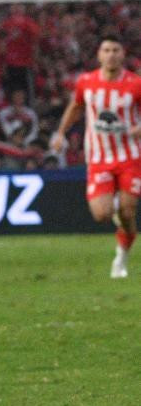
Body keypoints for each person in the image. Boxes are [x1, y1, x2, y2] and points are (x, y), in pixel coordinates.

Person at [50, 34, 141, 279]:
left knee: (128, 211)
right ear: (99, 55)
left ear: (123, 54)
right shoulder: (86, 82)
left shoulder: (135, 84)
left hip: (130, 157)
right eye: (107, 50)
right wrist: (60, 133)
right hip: (99, 158)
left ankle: (122, 255)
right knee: (101, 214)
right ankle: (119, 217)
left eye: (116, 50)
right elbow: (76, 106)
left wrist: (136, 129)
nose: (111, 54)